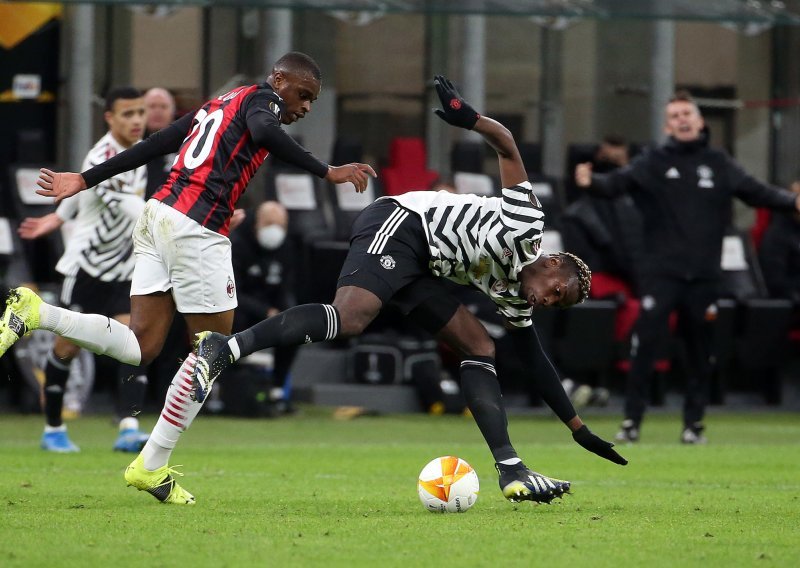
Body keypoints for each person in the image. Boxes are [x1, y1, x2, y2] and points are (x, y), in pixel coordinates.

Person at [190, 75, 628, 506]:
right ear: (552, 262)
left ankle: (511, 469)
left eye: (557, 304)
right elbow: (508, 145)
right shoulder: (525, 224)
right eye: (557, 290)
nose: (549, 301)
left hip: (423, 267)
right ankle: (224, 349)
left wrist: (579, 430)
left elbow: (536, 360)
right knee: (351, 317)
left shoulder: (517, 296)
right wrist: (470, 119)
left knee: (479, 345)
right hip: (401, 223)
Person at [0, 52, 374, 504]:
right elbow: (263, 129)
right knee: (213, 350)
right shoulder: (263, 101)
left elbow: (159, 142)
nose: (306, 106)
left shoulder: (221, 102)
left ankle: (39, 312)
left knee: (142, 345)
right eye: (303, 95)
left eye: (313, 99)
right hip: (196, 229)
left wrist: (85, 179)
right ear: (279, 79)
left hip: (159, 214)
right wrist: (326, 170)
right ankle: (151, 464)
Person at [575, 90, 800, 444]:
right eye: (675, 115)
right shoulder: (654, 162)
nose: (681, 119)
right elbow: (617, 184)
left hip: (705, 276)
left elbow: (757, 192)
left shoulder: (719, 163)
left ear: (699, 121)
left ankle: (693, 424)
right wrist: (592, 183)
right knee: (646, 344)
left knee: (699, 351)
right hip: (661, 273)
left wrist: (793, 201)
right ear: (667, 125)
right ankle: (632, 420)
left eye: (686, 114)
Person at [17, 87, 150, 453]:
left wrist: (57, 218)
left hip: (122, 268)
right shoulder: (103, 156)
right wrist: (184, 221)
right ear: (109, 118)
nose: (137, 120)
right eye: (128, 114)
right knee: (67, 349)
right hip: (87, 269)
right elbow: (130, 209)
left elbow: (81, 194)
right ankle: (53, 429)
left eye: (140, 112)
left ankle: (128, 426)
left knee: (132, 344)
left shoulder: (137, 153)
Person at [230, 200, 298, 413]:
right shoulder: (238, 244)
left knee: (293, 327)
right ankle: (227, 387)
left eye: (280, 225)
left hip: (269, 310)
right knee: (233, 321)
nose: (274, 230)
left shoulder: (287, 248)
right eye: (269, 223)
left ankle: (278, 391)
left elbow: (285, 288)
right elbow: (233, 291)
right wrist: (265, 311)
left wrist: (282, 312)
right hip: (239, 309)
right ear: (257, 222)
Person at [142, 87, 178, 199]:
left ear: (173, 111)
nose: (158, 111)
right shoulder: (132, 144)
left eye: (163, 106)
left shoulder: (185, 144)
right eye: (152, 106)